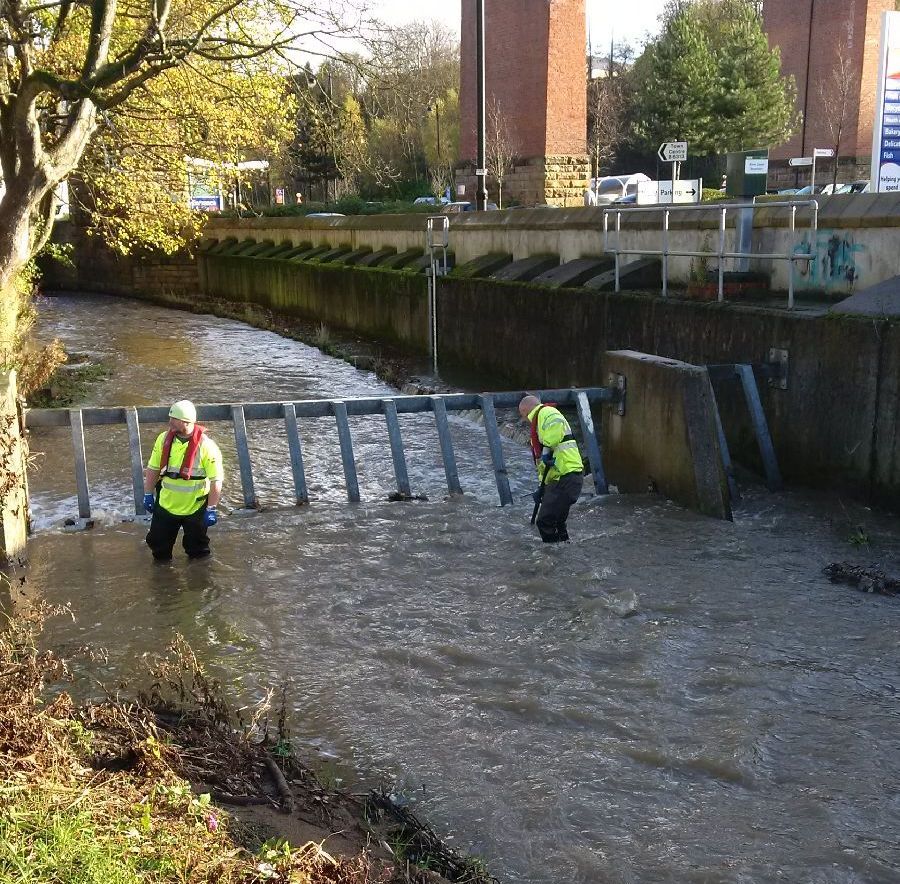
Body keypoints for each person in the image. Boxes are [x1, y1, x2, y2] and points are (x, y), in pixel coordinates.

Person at [143, 400, 223, 561]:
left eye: (173, 419)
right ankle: (162, 580)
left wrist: (211, 508)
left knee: (198, 550)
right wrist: (148, 494)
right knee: (157, 545)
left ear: (185, 421)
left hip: (195, 507)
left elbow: (216, 480)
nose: (169, 422)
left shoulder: (206, 446)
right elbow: (153, 468)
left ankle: (199, 580)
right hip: (166, 504)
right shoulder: (163, 439)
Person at [519, 395, 584, 543]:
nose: (524, 420)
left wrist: (547, 450)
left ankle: (552, 558)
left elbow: (553, 438)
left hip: (566, 476)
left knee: (544, 521)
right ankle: (564, 553)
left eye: (523, 415)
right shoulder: (539, 424)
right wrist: (542, 487)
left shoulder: (547, 413)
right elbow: (543, 465)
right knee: (557, 523)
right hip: (566, 477)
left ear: (525, 410)